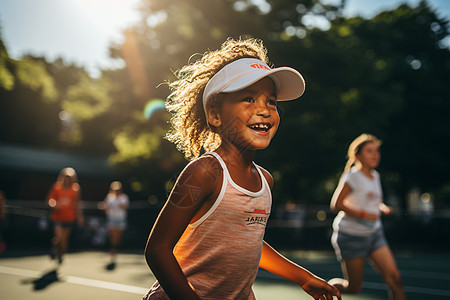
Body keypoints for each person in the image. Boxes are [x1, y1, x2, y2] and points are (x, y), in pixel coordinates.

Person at [143, 38, 341, 300]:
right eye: (248, 98)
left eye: (271, 101)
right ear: (215, 115)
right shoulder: (206, 172)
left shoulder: (265, 181)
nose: (264, 110)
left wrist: (302, 277)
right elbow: (157, 248)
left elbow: (248, 243)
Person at [328, 134, 406, 300]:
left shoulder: (375, 175)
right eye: (369, 151)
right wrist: (364, 214)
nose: (375, 154)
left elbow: (373, 201)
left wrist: (382, 208)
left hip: (375, 234)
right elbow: (337, 204)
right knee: (354, 288)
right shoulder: (352, 177)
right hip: (351, 236)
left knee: (395, 279)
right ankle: (329, 288)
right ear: (358, 155)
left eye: (377, 151)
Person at [47, 167, 84, 265]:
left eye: (70, 178)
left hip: (69, 218)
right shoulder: (56, 187)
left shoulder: (75, 189)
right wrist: (54, 204)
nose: (67, 180)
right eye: (66, 178)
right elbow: (50, 200)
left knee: (64, 240)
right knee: (58, 237)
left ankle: (60, 254)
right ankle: (54, 248)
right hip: (57, 217)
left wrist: (80, 217)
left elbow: (77, 204)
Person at [99, 181, 129, 268]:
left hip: (120, 220)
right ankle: (113, 251)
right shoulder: (109, 197)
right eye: (115, 190)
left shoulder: (124, 197)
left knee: (117, 238)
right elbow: (105, 207)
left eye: (118, 190)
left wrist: (119, 204)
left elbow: (125, 207)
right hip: (111, 219)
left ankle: (115, 249)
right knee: (113, 236)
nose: (117, 191)